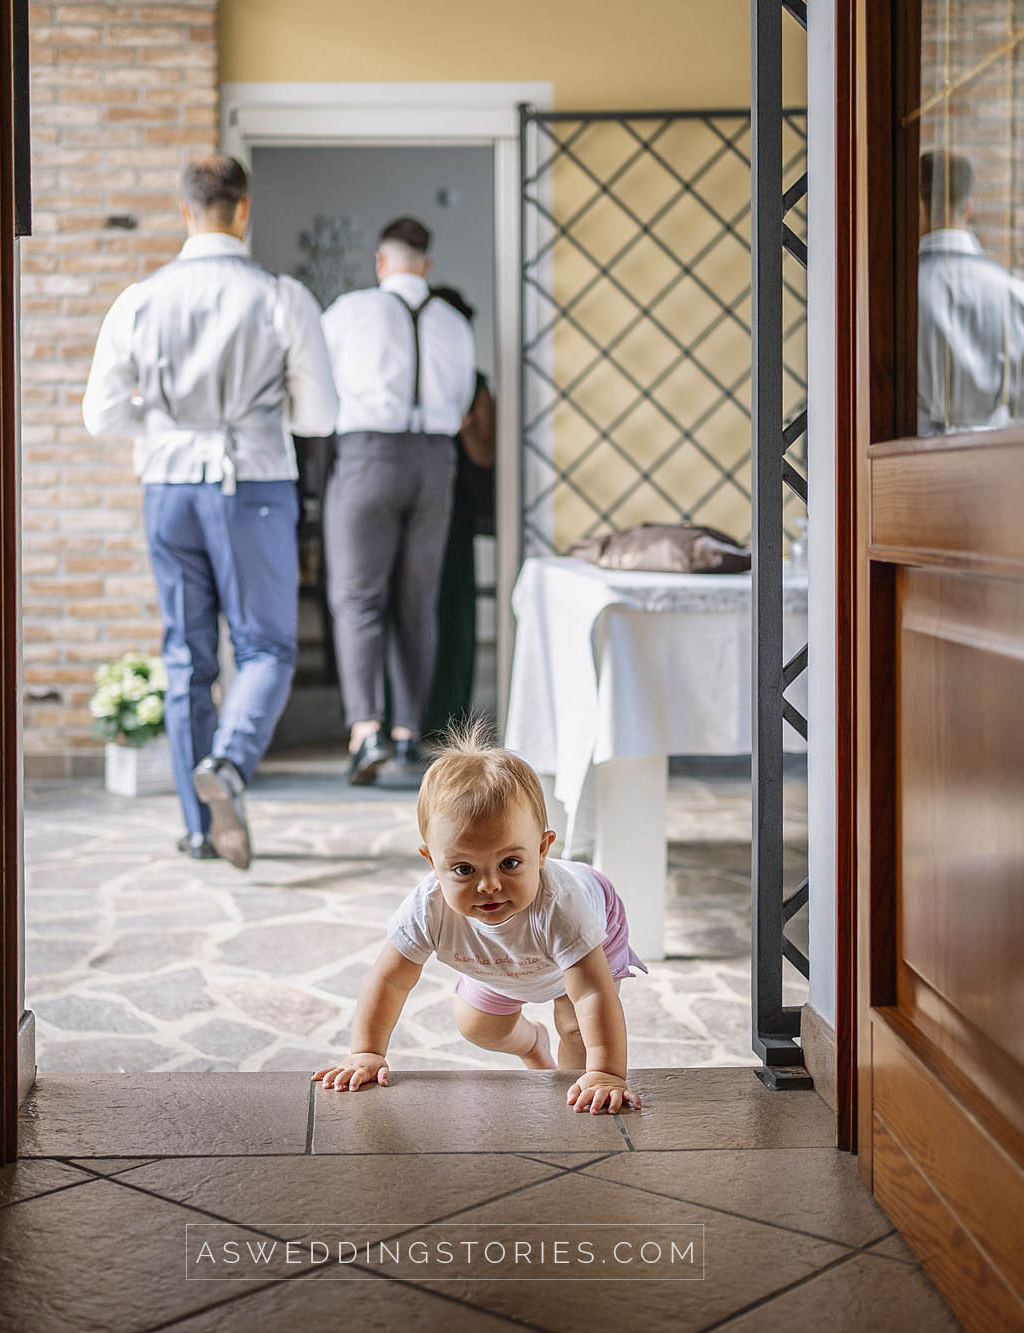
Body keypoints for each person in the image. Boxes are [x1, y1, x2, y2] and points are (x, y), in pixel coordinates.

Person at [81, 155, 337, 870]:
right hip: (251, 483)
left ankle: (198, 828)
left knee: (186, 657)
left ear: (185, 211)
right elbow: (318, 415)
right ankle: (227, 763)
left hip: (167, 488)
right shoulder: (281, 296)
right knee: (266, 647)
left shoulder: (139, 299)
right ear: (244, 210)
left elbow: (100, 415)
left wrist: (167, 428)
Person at [312, 724, 648, 1114]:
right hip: (508, 957)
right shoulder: (428, 906)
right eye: (464, 870)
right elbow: (389, 979)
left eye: (509, 863)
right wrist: (367, 1051)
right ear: (432, 863)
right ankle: (533, 1046)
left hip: (588, 937)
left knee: (574, 1024)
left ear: (542, 851)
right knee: (477, 1025)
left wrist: (607, 1074)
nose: (489, 885)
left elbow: (592, 993)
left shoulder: (564, 907)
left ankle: (573, 1098)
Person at [319, 218, 478, 786]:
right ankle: (410, 734)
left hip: (368, 455)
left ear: (382, 262)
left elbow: (318, 388)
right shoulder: (455, 323)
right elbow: (461, 404)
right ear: (426, 265)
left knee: (358, 598)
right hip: (436, 462)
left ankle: (367, 732)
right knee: (417, 599)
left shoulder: (349, 311)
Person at [916, 149, 1024, 436]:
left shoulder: (896, 299)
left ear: (917, 206)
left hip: (906, 475)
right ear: (968, 208)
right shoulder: (1019, 296)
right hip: (995, 473)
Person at [422, 285, 497, 738]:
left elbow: (485, 455)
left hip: (456, 512)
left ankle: (448, 717)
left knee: (454, 612)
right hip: (415, 509)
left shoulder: (475, 386)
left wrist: (464, 424)